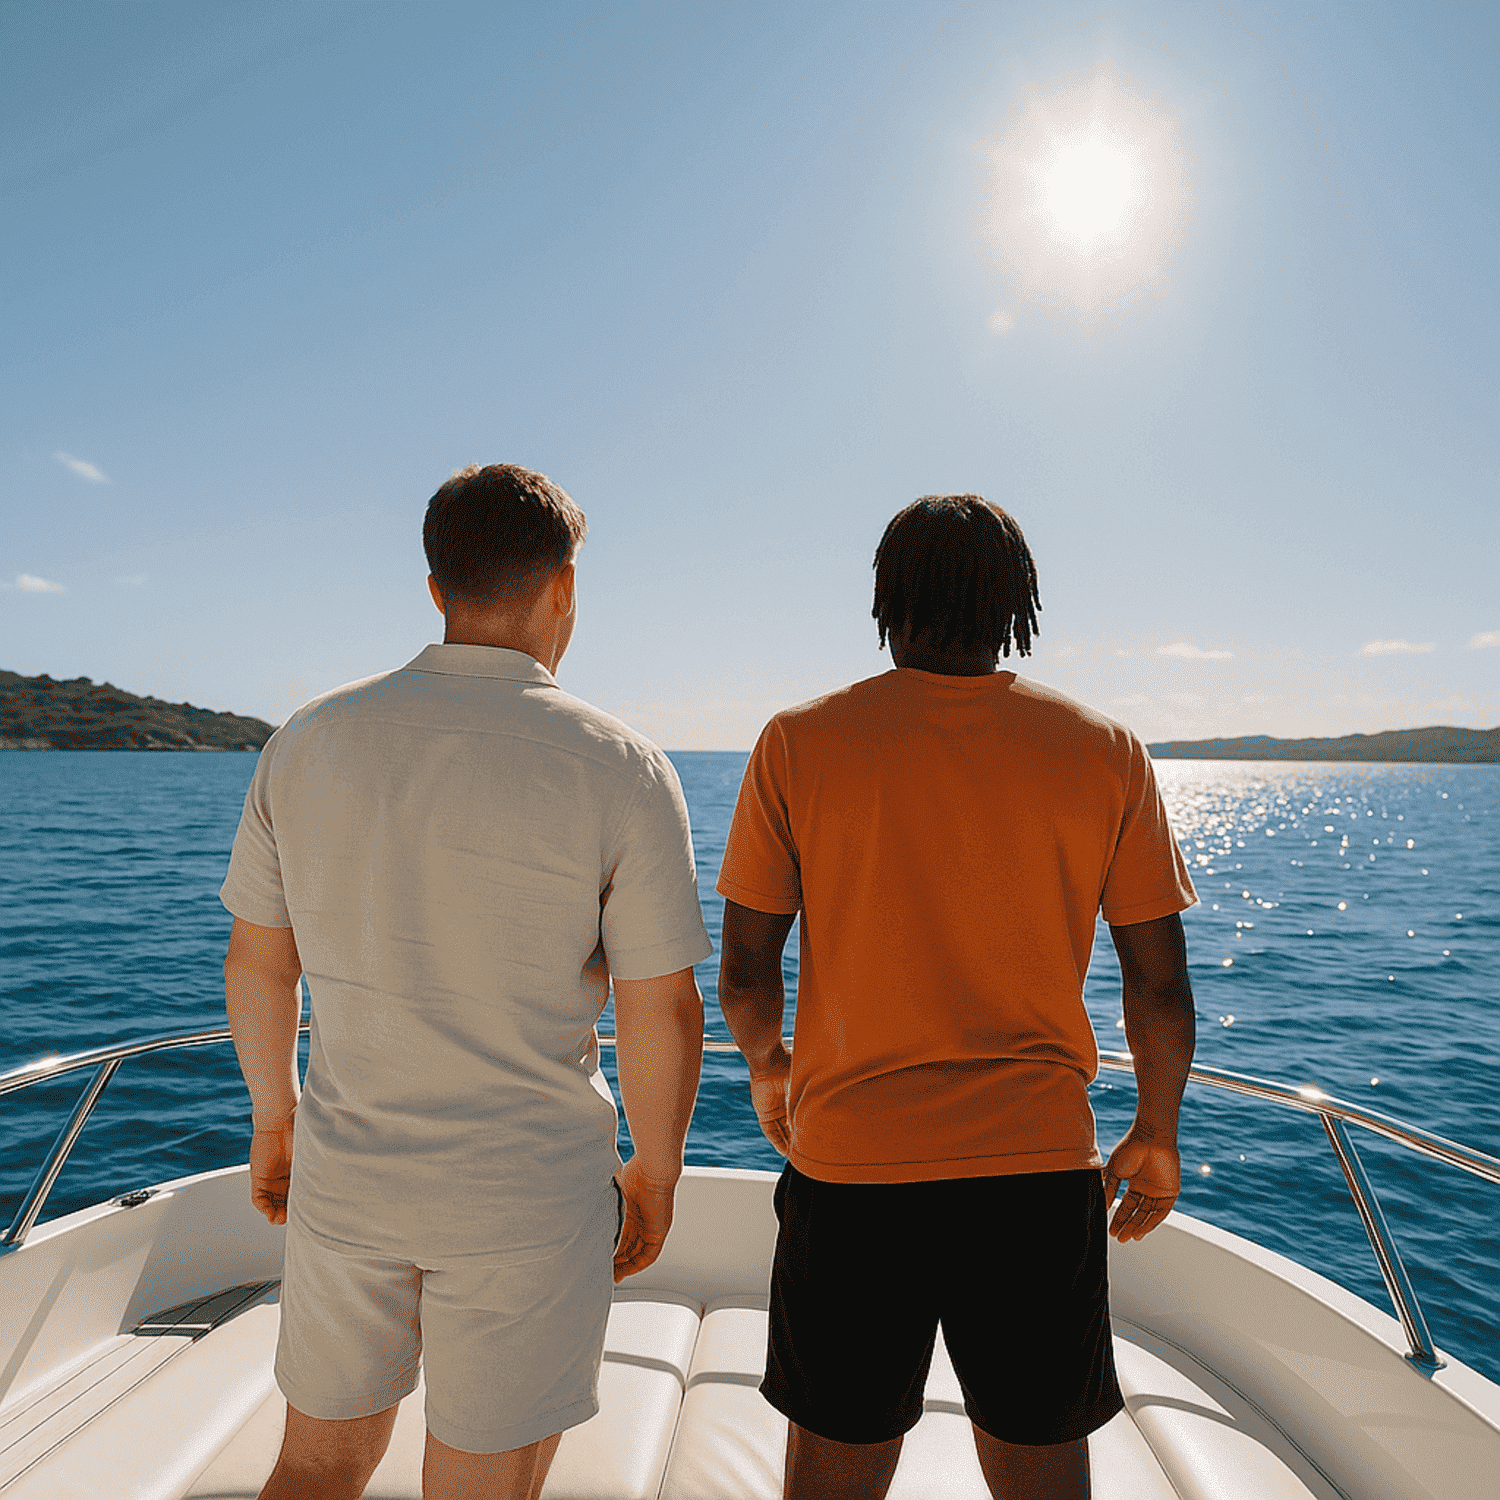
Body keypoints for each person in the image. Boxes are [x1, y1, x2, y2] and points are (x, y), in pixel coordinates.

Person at [220, 463, 711, 1500]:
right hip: (524, 1198)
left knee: (315, 1460)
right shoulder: (620, 764)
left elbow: (263, 961)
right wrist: (655, 1171)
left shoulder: (307, 739)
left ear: (436, 586)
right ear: (565, 585)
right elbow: (659, 1003)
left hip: (348, 1175)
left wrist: (277, 1120)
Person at [715, 494, 1197, 1500]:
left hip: (851, 1168)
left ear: (887, 598)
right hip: (1035, 1170)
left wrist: (771, 1074)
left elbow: (748, 970)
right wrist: (1156, 1128)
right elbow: (1157, 980)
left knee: (835, 1466)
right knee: (1039, 1459)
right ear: (1016, 601)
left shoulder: (799, 742)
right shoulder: (1103, 748)